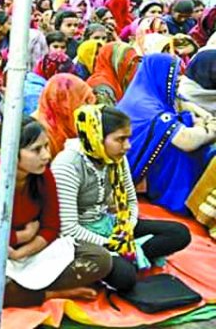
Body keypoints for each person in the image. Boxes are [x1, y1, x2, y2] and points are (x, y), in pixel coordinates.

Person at [0, 119, 113, 307]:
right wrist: (22, 236)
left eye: (46, 146)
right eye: (36, 150)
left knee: (101, 260)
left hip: (32, 247)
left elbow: (51, 227)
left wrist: (22, 252)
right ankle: (50, 294)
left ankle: (21, 293)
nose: (46, 155)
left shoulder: (44, 175)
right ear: (11, 152)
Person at [53, 105, 191, 292]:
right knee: (125, 278)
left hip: (110, 226)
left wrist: (126, 231)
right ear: (97, 138)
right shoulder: (67, 165)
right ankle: (128, 256)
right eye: (120, 139)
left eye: (128, 138)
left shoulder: (116, 158)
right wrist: (114, 245)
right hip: (80, 235)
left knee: (180, 233)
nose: (128, 146)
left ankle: (132, 253)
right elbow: (68, 228)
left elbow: (130, 202)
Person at [118, 53, 216, 213]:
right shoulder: (144, 104)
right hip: (147, 175)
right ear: (159, 73)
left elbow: (187, 105)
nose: (179, 78)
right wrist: (210, 129)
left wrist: (203, 121)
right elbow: (186, 141)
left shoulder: (156, 92)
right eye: (175, 74)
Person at [33, 73, 96, 158]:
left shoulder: (69, 123)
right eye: (85, 101)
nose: (91, 107)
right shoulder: (41, 135)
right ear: (64, 105)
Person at [86, 42, 142, 106]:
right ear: (115, 63)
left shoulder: (119, 82)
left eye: (134, 64)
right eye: (128, 66)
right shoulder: (100, 86)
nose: (133, 70)